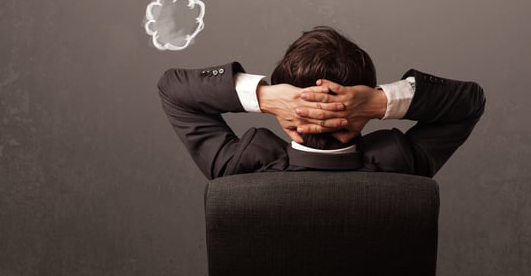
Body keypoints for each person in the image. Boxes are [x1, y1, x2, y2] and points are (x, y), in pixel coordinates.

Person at [157, 26, 485, 178]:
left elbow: (173, 89)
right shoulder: (403, 166)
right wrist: (379, 102)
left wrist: (265, 96)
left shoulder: (237, 167)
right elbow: (469, 101)